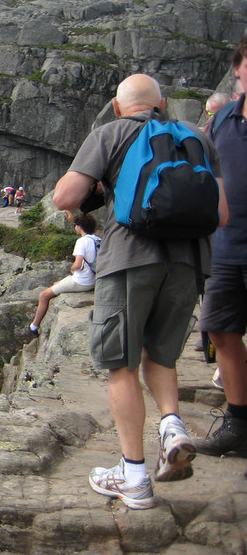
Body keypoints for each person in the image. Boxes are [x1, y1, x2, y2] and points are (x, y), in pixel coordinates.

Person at [52, 73, 227, 510]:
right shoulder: (196, 139)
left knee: (121, 366)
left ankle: (133, 477)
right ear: (162, 104)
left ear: (117, 106)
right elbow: (220, 213)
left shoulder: (110, 132)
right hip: (189, 263)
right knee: (161, 357)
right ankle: (172, 425)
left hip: (129, 259)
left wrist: (99, 183)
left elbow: (64, 197)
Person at [194, 35, 247, 457]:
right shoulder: (225, 117)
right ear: (238, 69)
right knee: (219, 328)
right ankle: (237, 423)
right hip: (227, 246)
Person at [28, 213, 100, 337]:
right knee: (57, 284)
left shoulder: (81, 242)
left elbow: (77, 264)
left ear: (79, 226)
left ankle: (33, 326)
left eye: (75, 225)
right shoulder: (98, 239)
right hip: (94, 279)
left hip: (82, 282)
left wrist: (73, 269)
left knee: (44, 295)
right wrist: (73, 219)